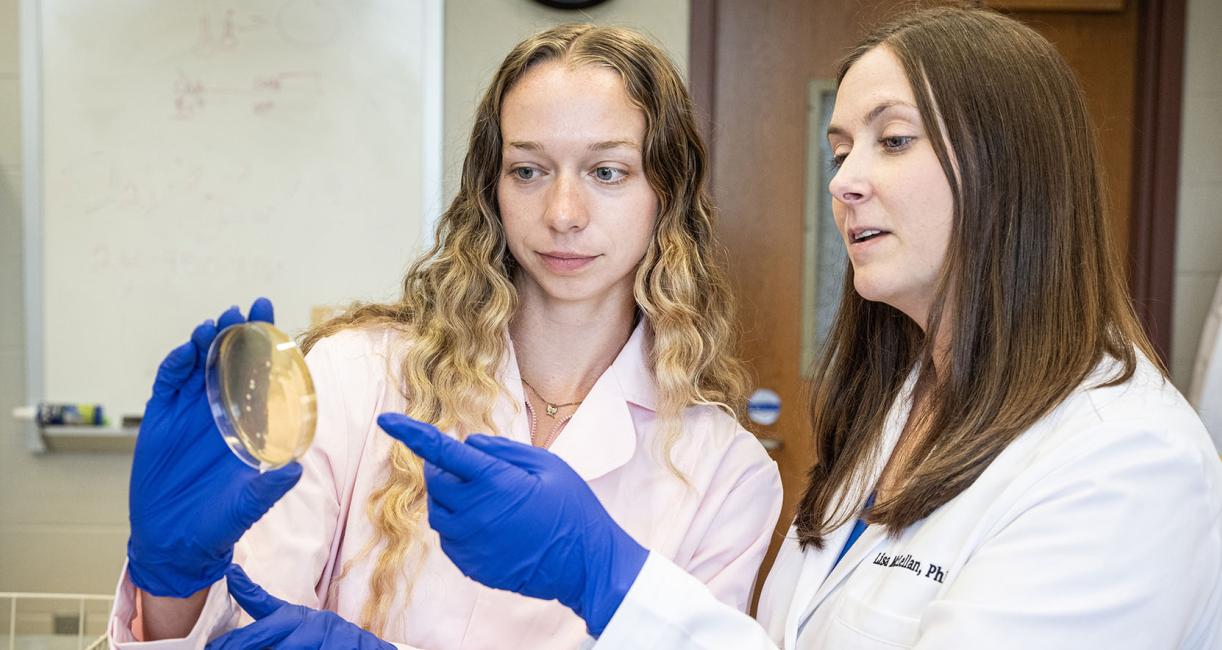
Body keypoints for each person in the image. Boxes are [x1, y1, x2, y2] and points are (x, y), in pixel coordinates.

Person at [382, 7, 1222, 649]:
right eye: (841, 149)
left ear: (1013, 169)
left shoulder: (1127, 462)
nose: (847, 181)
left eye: (893, 141)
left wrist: (612, 579)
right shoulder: (900, 415)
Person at [107, 23, 783, 649]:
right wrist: (175, 584)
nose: (563, 214)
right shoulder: (357, 377)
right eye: (528, 170)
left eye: (607, 172)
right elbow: (245, 627)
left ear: (667, 193)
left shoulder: (726, 475)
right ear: (492, 187)